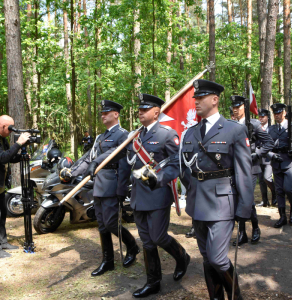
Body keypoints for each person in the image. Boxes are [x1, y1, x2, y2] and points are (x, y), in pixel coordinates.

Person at [91, 94, 190, 297]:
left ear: (156, 112)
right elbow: (119, 155)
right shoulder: (135, 136)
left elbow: (175, 164)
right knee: (146, 241)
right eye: (139, 109)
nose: (140, 112)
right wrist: (96, 163)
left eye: (145, 109)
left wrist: (159, 178)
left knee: (159, 237)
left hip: (157, 195)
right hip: (138, 196)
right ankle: (153, 281)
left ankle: (182, 257)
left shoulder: (167, 134)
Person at [179, 79, 253, 299]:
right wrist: (190, 188)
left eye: (201, 98)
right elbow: (184, 168)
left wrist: (244, 208)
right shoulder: (190, 133)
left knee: (218, 258)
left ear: (215, 99)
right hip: (197, 203)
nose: (196, 102)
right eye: (196, 98)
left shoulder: (234, 130)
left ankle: (236, 295)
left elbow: (244, 173)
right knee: (206, 257)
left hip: (223, 202)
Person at [83, 100, 139, 277]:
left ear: (116, 114)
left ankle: (132, 246)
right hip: (99, 184)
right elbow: (90, 157)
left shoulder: (123, 135)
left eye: (106, 112)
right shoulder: (100, 137)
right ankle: (107, 261)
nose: (102, 115)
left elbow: (124, 164)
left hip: (112, 183)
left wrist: (122, 188)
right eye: (102, 113)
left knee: (111, 223)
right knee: (102, 225)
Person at [231, 96, 274, 246]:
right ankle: (242, 233)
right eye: (233, 107)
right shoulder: (231, 125)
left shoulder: (254, 124)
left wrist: (257, 153)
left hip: (250, 167)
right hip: (235, 167)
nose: (235, 110)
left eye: (238, 107)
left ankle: (255, 227)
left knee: (247, 199)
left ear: (244, 107)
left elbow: (269, 142)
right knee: (238, 199)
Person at [0, 115, 31, 258]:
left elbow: (9, 157)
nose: (11, 132)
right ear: (3, 127)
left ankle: (3, 241)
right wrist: (18, 143)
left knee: (2, 214)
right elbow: (3, 158)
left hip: (0, 184)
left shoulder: (3, 139)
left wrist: (21, 157)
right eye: (10, 129)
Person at [267, 104, 292, 228]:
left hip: (290, 161)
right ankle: (282, 217)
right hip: (277, 162)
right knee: (279, 191)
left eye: (279, 113)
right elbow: (266, 146)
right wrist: (271, 155)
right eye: (275, 113)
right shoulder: (270, 129)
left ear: (284, 113)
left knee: (289, 189)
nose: (277, 115)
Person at [256, 109, 277, 207]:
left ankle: (274, 192)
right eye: (259, 117)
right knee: (261, 180)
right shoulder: (256, 127)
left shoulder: (272, 128)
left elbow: (272, 142)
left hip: (268, 156)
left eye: (263, 117)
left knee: (267, 177)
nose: (261, 118)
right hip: (259, 156)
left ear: (267, 117)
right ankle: (265, 201)